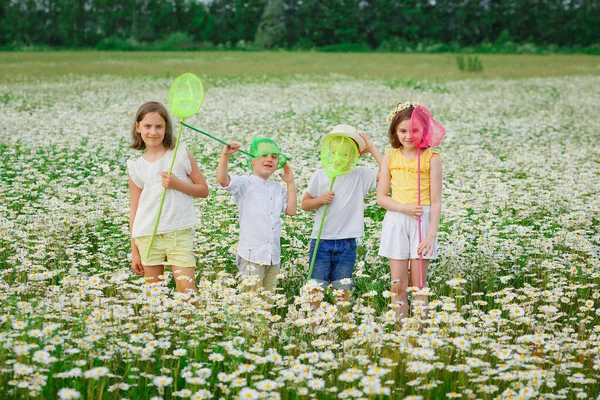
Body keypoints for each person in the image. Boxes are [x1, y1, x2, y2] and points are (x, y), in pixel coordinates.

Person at [127, 101, 209, 294]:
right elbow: (134, 209)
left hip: (178, 232)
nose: (153, 132)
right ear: (138, 127)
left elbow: (204, 190)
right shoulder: (136, 166)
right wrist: (134, 250)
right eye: (147, 126)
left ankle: (190, 323)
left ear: (166, 129)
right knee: (154, 294)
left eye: (159, 126)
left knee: (187, 290)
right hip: (147, 234)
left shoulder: (179, 154)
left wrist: (176, 184)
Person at [301, 124, 383, 305]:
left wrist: (371, 149)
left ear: (355, 154)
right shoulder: (321, 175)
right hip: (321, 240)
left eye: (346, 154)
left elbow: (388, 174)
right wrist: (320, 200)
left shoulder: (361, 175)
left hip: (347, 242)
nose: (340, 158)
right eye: (336, 153)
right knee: (316, 287)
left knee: (342, 288)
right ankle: (316, 326)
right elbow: (305, 204)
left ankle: (340, 325)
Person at [377, 102, 443, 322]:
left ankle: (420, 333)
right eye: (403, 131)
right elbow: (381, 198)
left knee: (419, 286)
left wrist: (431, 234)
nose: (408, 136)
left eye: (414, 130)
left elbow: (435, 201)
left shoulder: (432, 158)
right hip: (397, 219)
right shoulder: (390, 156)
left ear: (424, 130)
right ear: (395, 131)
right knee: (398, 286)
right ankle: (400, 331)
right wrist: (403, 208)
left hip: (422, 222)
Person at [217, 137, 296, 293]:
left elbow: (291, 211)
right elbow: (223, 180)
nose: (269, 160)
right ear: (252, 161)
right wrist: (225, 156)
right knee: (250, 299)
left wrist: (290, 183)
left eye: (274, 157)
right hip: (252, 255)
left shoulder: (277, 187)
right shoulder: (246, 183)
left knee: (268, 300)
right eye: (264, 155)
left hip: (273, 256)